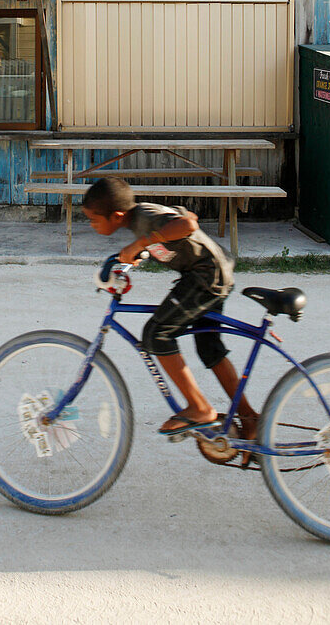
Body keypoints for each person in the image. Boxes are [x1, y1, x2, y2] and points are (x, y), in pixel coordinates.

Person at [82, 177, 258, 453]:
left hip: (205, 276)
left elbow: (188, 224)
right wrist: (137, 252)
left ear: (116, 216)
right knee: (209, 348)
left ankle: (200, 408)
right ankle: (249, 418)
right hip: (211, 272)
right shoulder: (139, 219)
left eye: (93, 220)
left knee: (156, 333)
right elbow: (183, 217)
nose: (91, 225)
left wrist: (143, 242)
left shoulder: (145, 219)